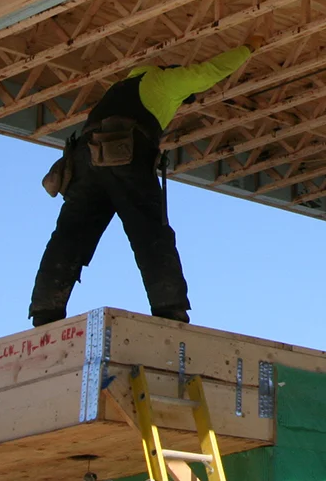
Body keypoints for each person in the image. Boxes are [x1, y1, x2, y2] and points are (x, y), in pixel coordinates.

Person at [28, 37, 263, 327]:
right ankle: (170, 309)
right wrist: (248, 47)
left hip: (84, 163)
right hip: (124, 155)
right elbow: (207, 72)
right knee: (151, 233)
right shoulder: (162, 80)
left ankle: (45, 310)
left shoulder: (120, 87)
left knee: (70, 235)